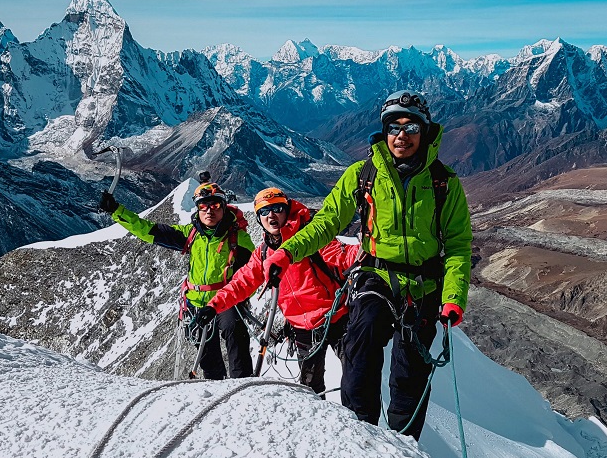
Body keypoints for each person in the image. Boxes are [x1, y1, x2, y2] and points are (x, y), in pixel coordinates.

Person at [261, 90, 472, 440]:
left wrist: (453, 298)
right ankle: (362, 432)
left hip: (424, 287)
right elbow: (327, 222)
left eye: (411, 127)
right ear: (384, 131)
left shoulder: (444, 184)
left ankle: (404, 443)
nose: (401, 135)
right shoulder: (363, 175)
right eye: (394, 126)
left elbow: (458, 247)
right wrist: (288, 251)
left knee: (410, 371)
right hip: (376, 274)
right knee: (361, 341)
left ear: (426, 131)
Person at [192, 187, 360, 395]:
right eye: (264, 211)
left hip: (336, 319)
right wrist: (213, 307)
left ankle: (360, 425)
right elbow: (240, 284)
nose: (271, 215)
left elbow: (344, 255)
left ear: (287, 210)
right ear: (258, 218)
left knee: (356, 382)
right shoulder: (263, 253)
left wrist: (372, 247)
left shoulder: (310, 239)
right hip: (302, 327)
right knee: (311, 388)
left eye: (277, 208)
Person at [99, 182, 255, 379]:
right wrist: (117, 211)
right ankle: (216, 386)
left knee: (234, 330)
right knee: (207, 352)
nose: (209, 211)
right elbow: (150, 231)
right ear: (197, 209)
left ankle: (242, 383)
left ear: (223, 207)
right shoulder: (191, 234)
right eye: (203, 206)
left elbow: (251, 275)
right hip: (197, 301)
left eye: (214, 206)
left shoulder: (238, 238)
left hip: (227, 299)